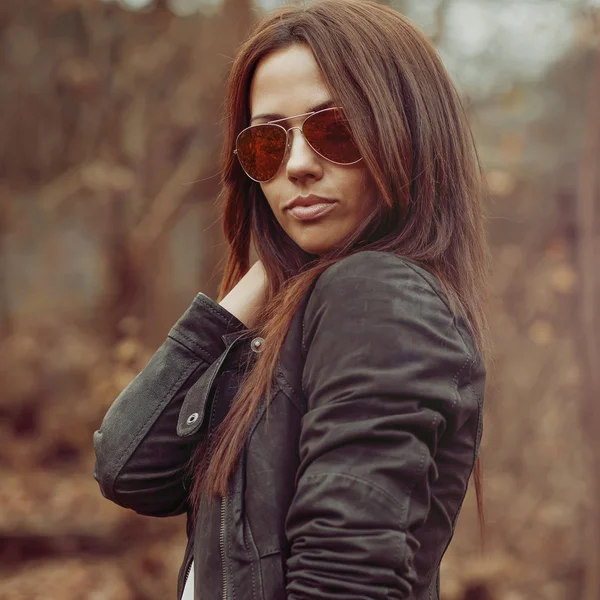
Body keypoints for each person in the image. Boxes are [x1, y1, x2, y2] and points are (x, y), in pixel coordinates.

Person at [93, 0, 489, 598]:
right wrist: (262, 278)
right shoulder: (309, 308)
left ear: (406, 134)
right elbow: (130, 468)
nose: (298, 166)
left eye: (336, 130)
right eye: (267, 144)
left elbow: (346, 582)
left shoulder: (377, 296)